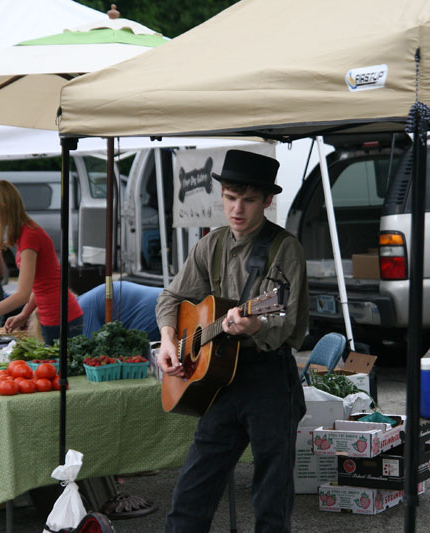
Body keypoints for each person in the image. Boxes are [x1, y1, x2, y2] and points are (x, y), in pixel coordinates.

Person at [156, 150, 309, 532]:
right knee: (192, 491)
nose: (237, 208)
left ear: (267, 201)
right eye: (230, 197)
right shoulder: (212, 244)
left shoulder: (284, 248)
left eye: (249, 199)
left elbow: (287, 324)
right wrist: (169, 340)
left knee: (272, 494)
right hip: (218, 379)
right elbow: (171, 298)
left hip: (268, 378)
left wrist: (255, 327)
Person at [0, 180, 83, 345]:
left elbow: (22, 294)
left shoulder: (30, 235)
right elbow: (42, 282)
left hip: (62, 317)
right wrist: (24, 314)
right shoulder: (25, 233)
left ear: (4, 206)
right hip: (51, 316)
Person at [78, 281, 162, 341]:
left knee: (136, 354)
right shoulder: (82, 302)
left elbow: (93, 347)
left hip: (154, 307)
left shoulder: (82, 310)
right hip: (158, 300)